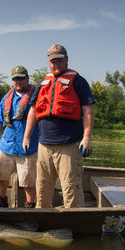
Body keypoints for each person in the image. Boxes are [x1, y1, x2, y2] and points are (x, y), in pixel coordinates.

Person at [23, 44, 95, 208]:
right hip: (44, 146)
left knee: (71, 188)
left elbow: (88, 111)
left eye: (59, 61)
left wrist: (87, 138)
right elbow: (33, 111)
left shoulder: (79, 82)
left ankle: (74, 225)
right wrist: (27, 137)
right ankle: (43, 222)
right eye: (53, 61)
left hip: (68, 146)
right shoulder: (43, 83)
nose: (56, 65)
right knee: (42, 188)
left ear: (67, 59)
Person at [0, 65, 39, 208]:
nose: (18, 81)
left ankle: (30, 205)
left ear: (27, 79)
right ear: (12, 81)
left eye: (21, 78)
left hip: (27, 147)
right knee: (0, 176)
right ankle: (2, 202)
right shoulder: (7, 97)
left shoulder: (36, 96)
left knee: (28, 182)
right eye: (15, 79)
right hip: (7, 144)